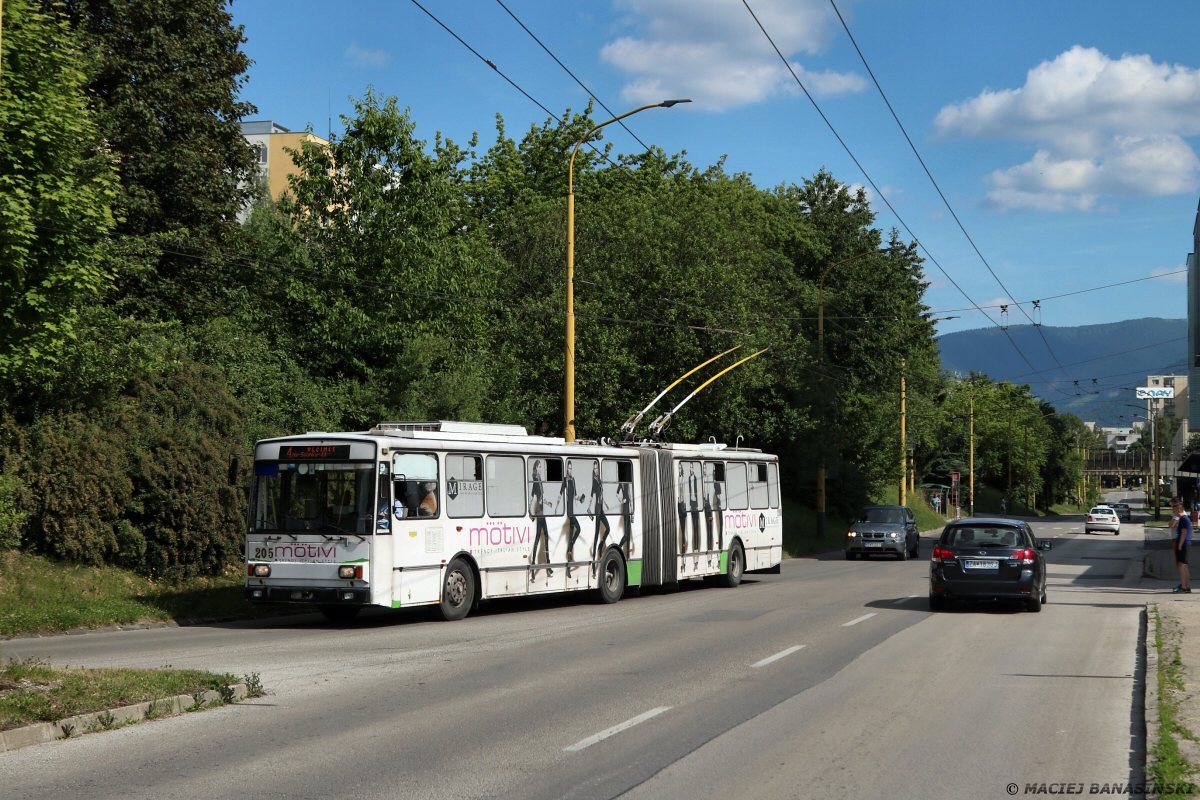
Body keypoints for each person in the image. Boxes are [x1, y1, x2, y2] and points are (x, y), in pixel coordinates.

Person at [528, 460, 552, 579]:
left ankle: (544, 565)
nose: (541, 469)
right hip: (539, 512)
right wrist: (530, 511)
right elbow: (534, 497)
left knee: (542, 537)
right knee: (541, 537)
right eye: (539, 467)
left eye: (541, 467)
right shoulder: (536, 481)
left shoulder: (538, 480)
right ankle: (543, 565)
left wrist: (548, 503)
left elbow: (538, 497)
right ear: (536, 468)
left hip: (541, 511)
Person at [588, 462, 610, 575]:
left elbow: (601, 495)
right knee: (596, 533)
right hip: (597, 510)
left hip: (601, 509)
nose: (596, 470)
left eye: (597, 468)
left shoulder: (600, 481)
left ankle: (601, 545)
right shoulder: (594, 481)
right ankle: (593, 563)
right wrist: (589, 508)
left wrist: (605, 504)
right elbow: (592, 495)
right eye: (594, 468)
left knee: (608, 528)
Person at [1172, 496, 1192, 594]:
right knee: (1185, 565)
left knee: (1182, 566)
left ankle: (1184, 586)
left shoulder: (1183, 519)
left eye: (1174, 511)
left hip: (1183, 544)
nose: (1174, 513)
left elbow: (1184, 532)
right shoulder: (1185, 519)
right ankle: (1186, 586)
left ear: (1179, 510)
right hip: (1186, 544)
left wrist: (1179, 545)